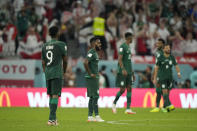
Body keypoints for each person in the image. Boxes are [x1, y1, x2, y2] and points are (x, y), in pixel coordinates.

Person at [41, 26, 68, 126]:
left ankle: (53, 119)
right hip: (57, 72)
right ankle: (51, 119)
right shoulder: (61, 44)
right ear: (57, 33)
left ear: (49, 34)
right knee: (55, 95)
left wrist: (45, 72)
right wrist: (64, 71)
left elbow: (43, 62)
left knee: (51, 95)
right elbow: (65, 60)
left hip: (48, 72)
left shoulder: (44, 45)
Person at [112, 32, 136, 114]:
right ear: (129, 38)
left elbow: (129, 61)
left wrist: (132, 73)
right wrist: (123, 69)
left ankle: (128, 108)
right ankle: (114, 103)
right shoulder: (122, 47)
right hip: (123, 72)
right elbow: (119, 59)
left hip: (129, 72)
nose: (132, 39)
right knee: (122, 90)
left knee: (129, 88)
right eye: (132, 37)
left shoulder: (129, 48)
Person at [153, 44, 181, 112]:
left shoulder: (172, 57)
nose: (168, 49)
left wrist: (178, 73)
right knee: (164, 91)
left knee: (167, 93)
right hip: (162, 77)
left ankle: (164, 107)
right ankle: (170, 105)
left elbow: (176, 65)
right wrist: (155, 77)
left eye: (169, 48)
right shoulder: (160, 57)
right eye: (167, 48)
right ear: (163, 50)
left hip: (169, 77)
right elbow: (156, 68)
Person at [83, 36, 104, 122]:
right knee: (95, 96)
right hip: (92, 78)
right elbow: (85, 62)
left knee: (92, 97)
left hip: (93, 77)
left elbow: (90, 62)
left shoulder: (94, 53)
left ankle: (90, 116)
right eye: (98, 42)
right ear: (93, 43)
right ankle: (97, 116)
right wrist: (90, 73)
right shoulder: (91, 52)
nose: (100, 44)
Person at [150, 38, 165, 112]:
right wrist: (153, 75)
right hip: (159, 73)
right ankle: (158, 106)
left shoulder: (163, 53)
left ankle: (163, 106)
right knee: (159, 91)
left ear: (162, 44)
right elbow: (156, 65)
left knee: (162, 91)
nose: (157, 44)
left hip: (162, 74)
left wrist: (154, 76)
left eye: (159, 43)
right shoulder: (157, 52)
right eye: (157, 43)